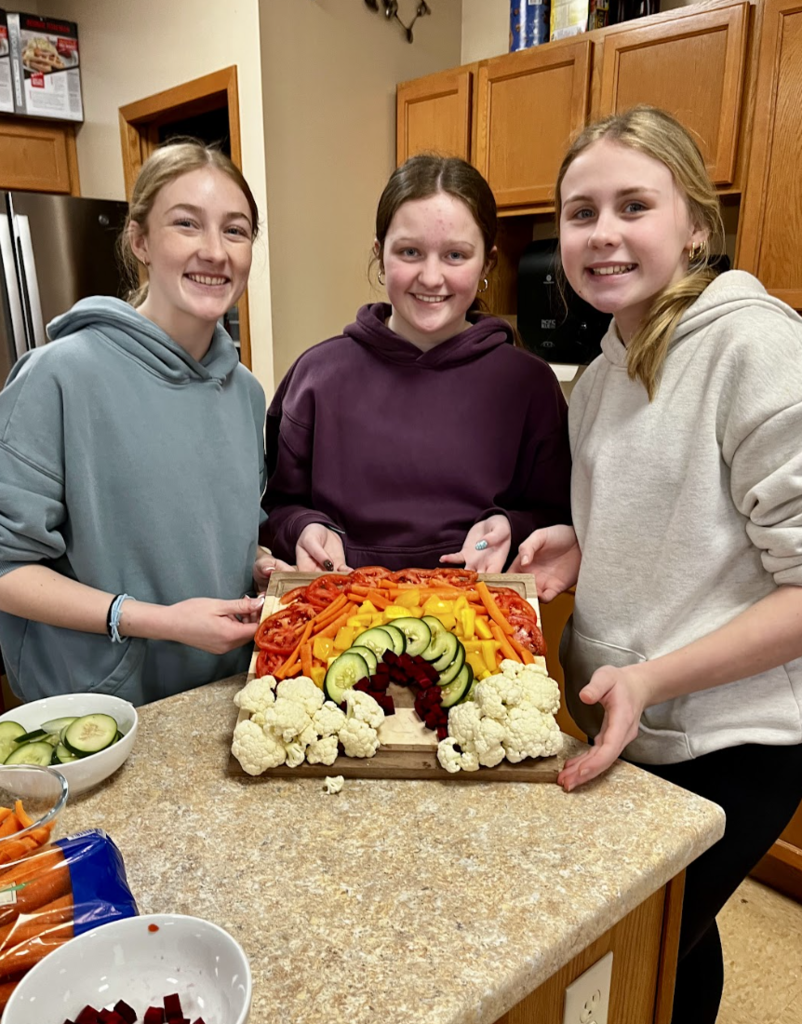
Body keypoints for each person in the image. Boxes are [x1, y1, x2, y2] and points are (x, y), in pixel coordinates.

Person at [510, 106, 802, 1024]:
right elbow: (687, 521)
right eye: (580, 211)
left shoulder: (754, 347)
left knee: (639, 937)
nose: (602, 235)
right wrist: (581, 541)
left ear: (696, 225)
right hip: (634, 717)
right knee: (681, 930)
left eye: (634, 205)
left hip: (733, 737)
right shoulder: (603, 370)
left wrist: (649, 677)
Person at [0, 139, 287, 705]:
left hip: (225, 697)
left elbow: (216, 528)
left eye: (235, 230)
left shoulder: (246, 392)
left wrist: (257, 564)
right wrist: (160, 620)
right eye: (186, 224)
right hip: (103, 712)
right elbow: (7, 570)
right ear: (140, 241)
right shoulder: (59, 377)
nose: (215, 251)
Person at [262, 154, 572, 573]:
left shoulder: (530, 386)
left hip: (479, 623)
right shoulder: (315, 376)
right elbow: (277, 508)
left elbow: (558, 520)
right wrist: (303, 527)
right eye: (409, 252)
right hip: (339, 618)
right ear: (380, 253)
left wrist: (509, 527)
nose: (430, 277)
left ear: (488, 263)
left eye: (456, 255)